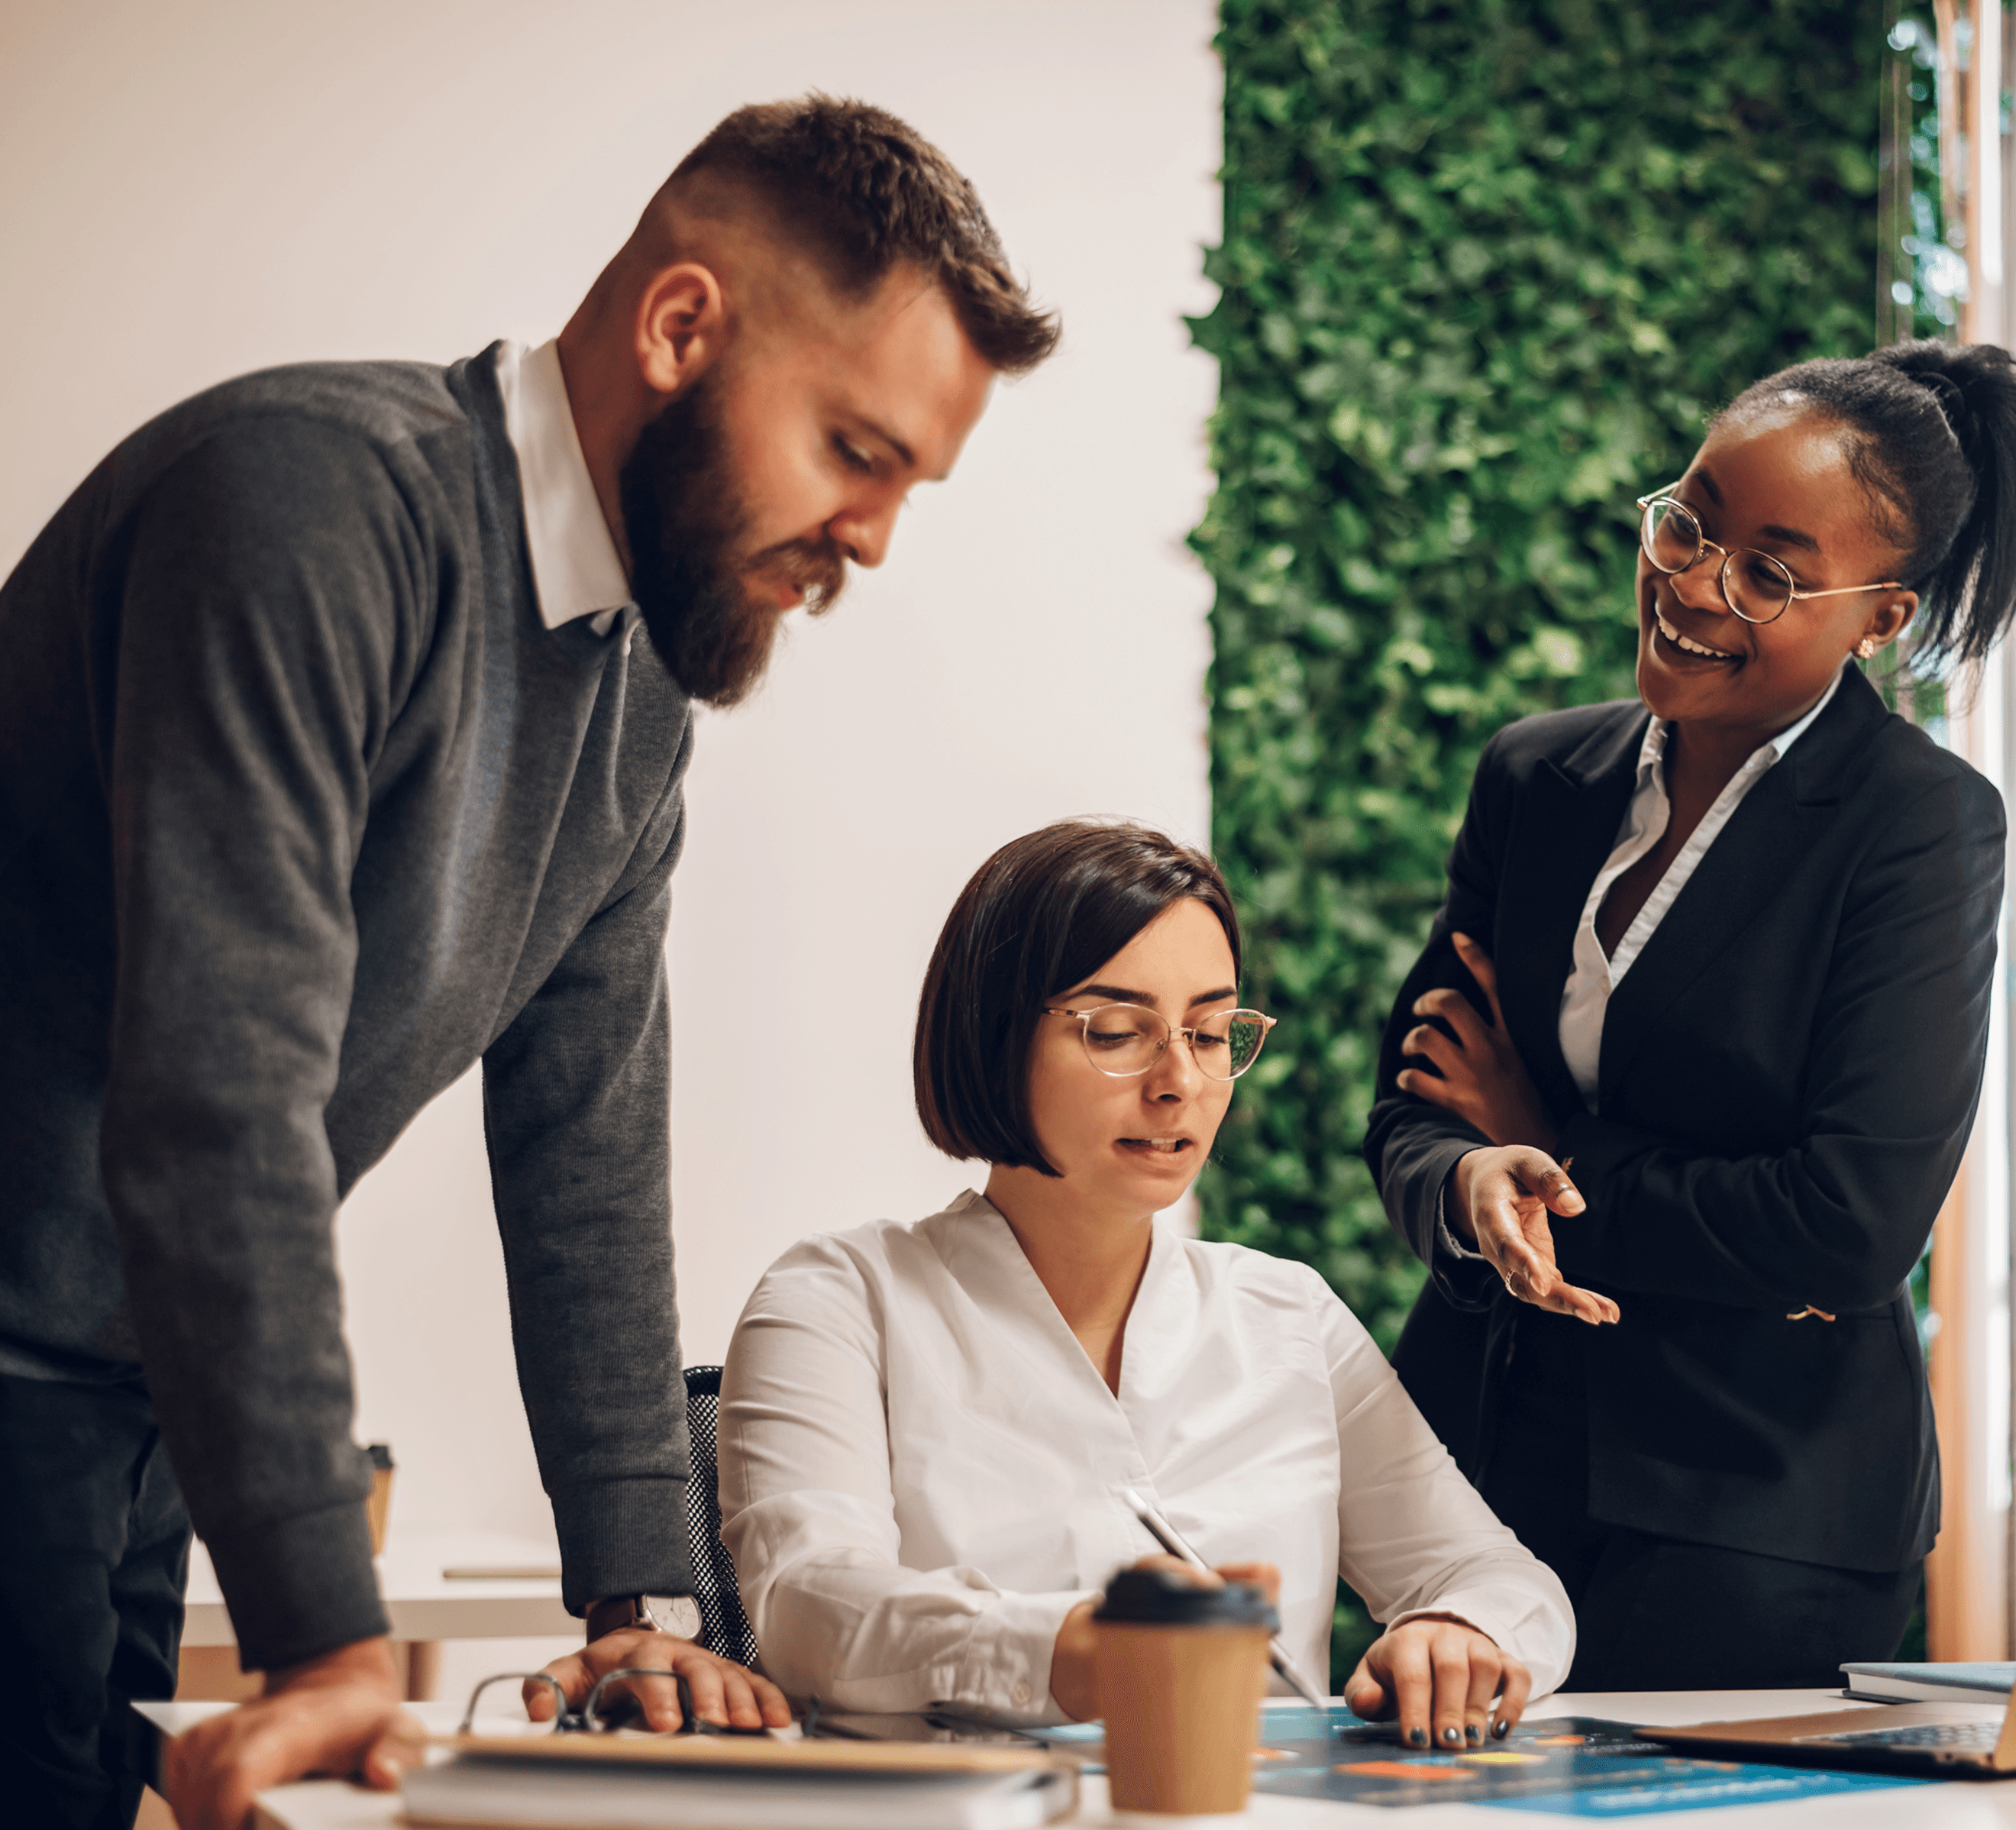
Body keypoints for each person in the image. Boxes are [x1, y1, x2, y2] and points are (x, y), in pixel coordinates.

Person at [0, 95, 1058, 1830]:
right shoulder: (310, 505)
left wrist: (644, 1598)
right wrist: (332, 1645)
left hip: (128, 1401)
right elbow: (218, 1095)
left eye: (905, 489)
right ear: (679, 327)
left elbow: (585, 1146)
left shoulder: (640, 695)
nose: (872, 540)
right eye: (856, 451)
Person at [1365, 338, 2014, 1689]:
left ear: (1880, 617)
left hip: (1757, 1508)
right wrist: (1474, 1167)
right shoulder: (1537, 777)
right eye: (1689, 522)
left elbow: (1847, 1226)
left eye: (1770, 570)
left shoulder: (1919, 827)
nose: (1692, 586)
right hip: (1474, 1469)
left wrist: (1548, 1140)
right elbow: (1414, 1093)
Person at [717, 820, 1573, 1748]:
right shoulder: (840, 1299)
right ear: (994, 1032)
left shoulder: (1286, 1314)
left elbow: (1503, 1578)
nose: (1180, 1082)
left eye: (1211, 1034)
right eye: (1117, 1031)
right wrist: (1075, 1650)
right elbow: (811, 1606)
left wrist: (1463, 1630)